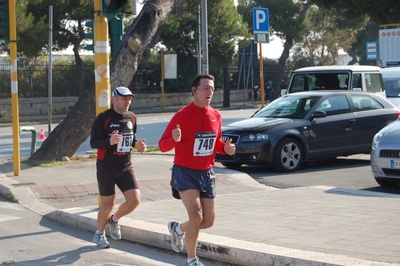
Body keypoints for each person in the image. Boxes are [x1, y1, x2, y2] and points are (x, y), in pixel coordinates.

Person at [158, 74, 236, 266]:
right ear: (194, 90)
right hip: (185, 172)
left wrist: (225, 148)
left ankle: (178, 229)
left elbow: (215, 142)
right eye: (205, 88)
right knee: (196, 216)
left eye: (212, 88)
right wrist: (173, 140)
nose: (210, 92)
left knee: (208, 221)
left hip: (207, 173)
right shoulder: (181, 116)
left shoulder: (216, 115)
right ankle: (192, 260)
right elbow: (162, 145)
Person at [90, 86, 147, 249]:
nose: (127, 102)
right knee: (108, 204)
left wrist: (137, 144)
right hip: (106, 166)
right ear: (114, 99)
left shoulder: (131, 117)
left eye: (129, 99)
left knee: (135, 200)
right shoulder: (103, 118)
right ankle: (99, 234)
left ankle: (114, 220)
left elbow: (131, 137)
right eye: (124, 99)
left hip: (125, 164)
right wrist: (109, 141)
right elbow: (93, 142)